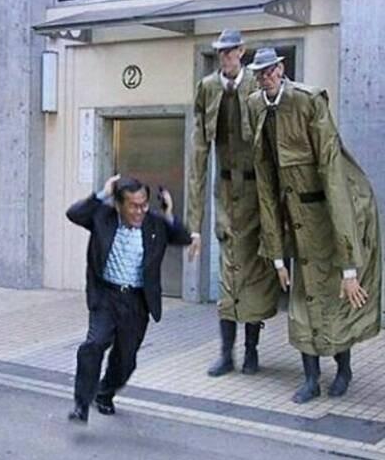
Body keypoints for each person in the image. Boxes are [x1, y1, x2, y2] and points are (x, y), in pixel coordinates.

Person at [246, 47, 381, 403]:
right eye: (259, 73)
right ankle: (311, 379)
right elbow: (265, 185)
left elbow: (333, 177)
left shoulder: (308, 101)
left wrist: (349, 266)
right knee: (302, 304)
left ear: (281, 69)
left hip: (326, 217)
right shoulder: (255, 106)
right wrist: (277, 256)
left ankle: (343, 369)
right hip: (294, 222)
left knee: (335, 300)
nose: (265, 78)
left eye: (270, 71)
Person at [187, 29, 279, 378]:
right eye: (220, 52)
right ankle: (226, 354)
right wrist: (194, 226)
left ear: (241, 51)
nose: (225, 57)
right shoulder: (208, 88)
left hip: (257, 190)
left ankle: (252, 350)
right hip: (226, 191)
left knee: (255, 272)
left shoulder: (256, 85)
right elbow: (198, 157)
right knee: (229, 274)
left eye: (230, 51)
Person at [66, 175, 191, 424]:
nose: (139, 211)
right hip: (106, 296)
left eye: (143, 204)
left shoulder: (155, 224)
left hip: (137, 301)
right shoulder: (103, 217)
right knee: (94, 345)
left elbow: (183, 238)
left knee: (126, 360)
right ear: (118, 205)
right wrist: (102, 194)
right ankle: (81, 405)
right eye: (133, 206)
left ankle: (104, 393)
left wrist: (168, 213)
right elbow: (74, 214)